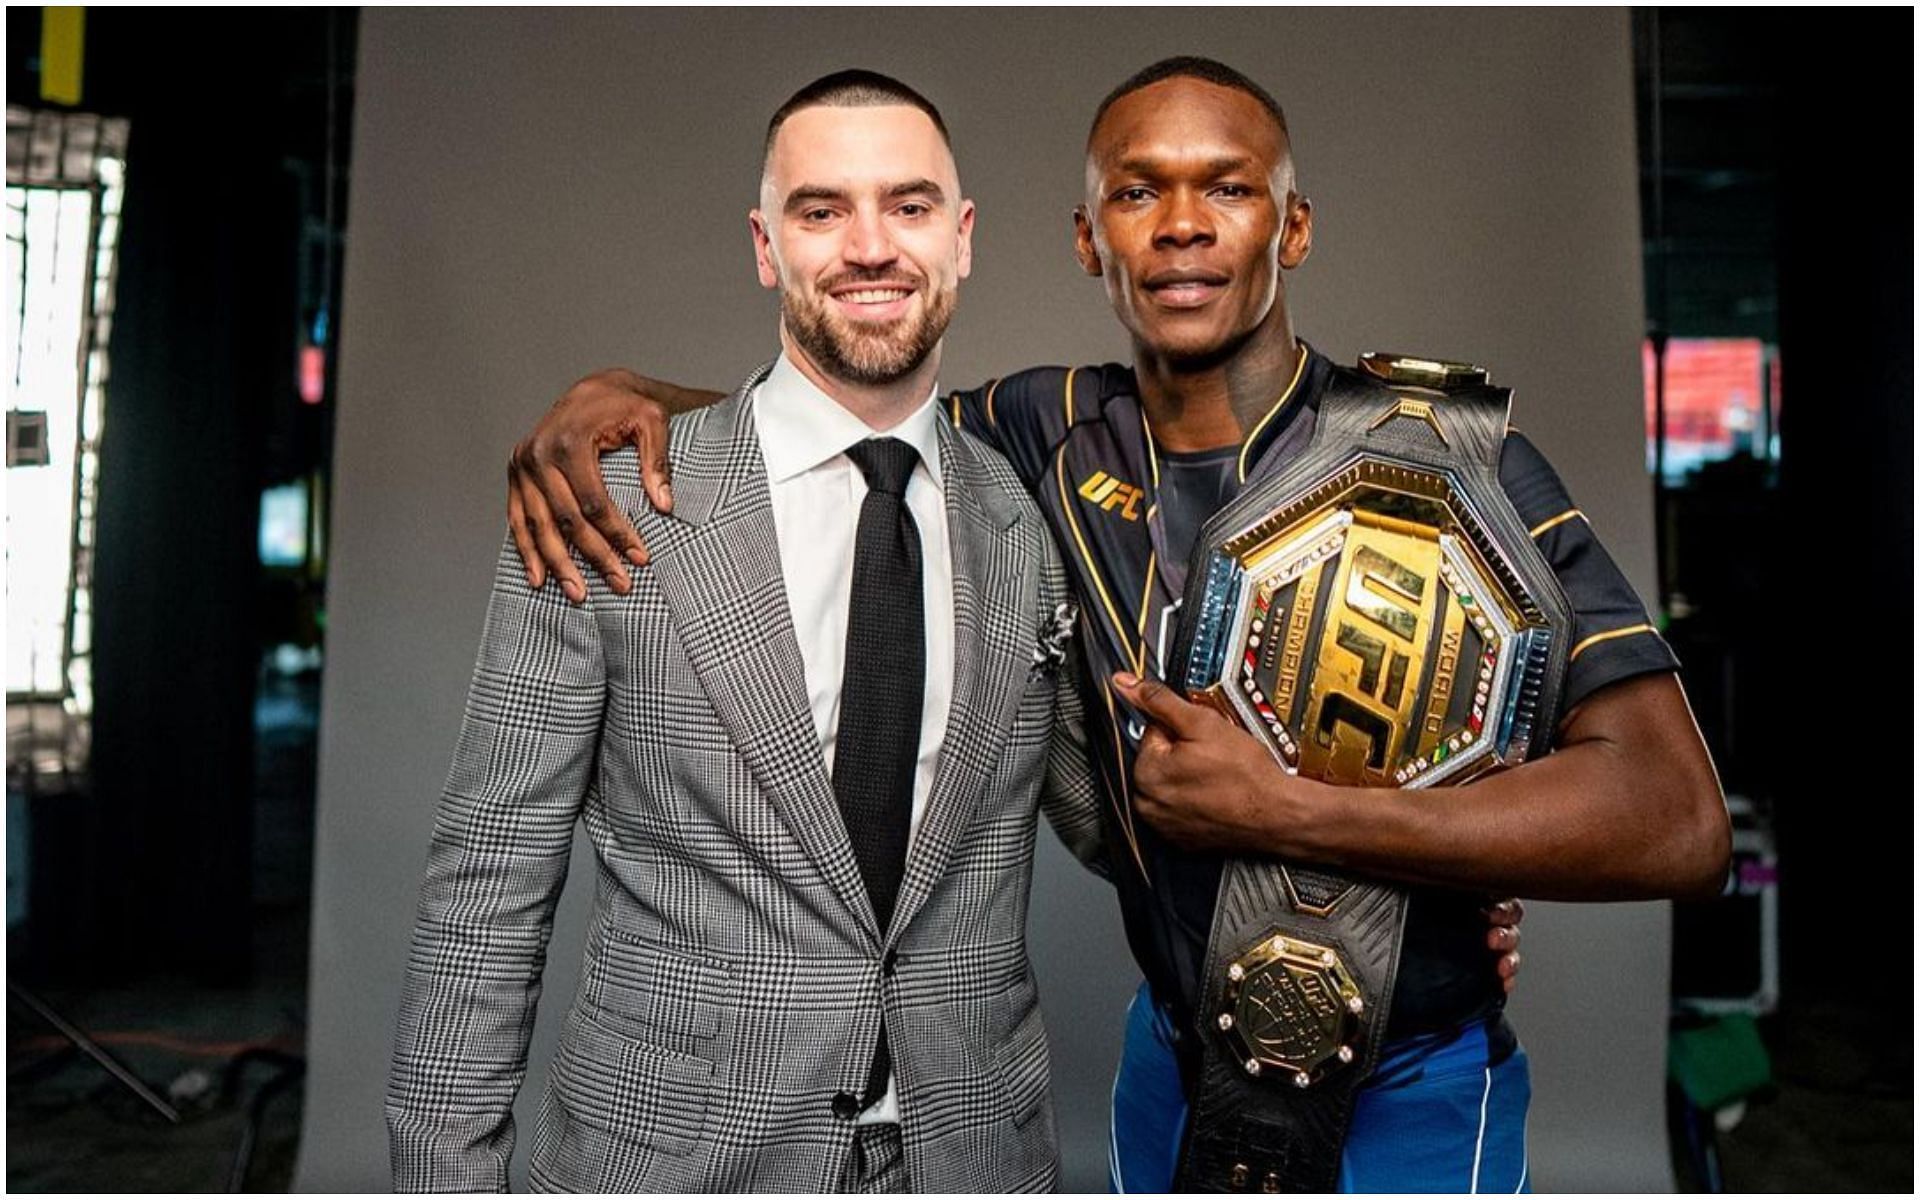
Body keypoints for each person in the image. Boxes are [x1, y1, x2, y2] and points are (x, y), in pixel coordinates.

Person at [505, 57, 1722, 1192]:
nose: (1183, 222)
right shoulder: (1039, 436)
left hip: (1408, 1081)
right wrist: (617, 397)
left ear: (1291, 227)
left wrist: (1301, 815)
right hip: (1174, 1062)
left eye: (1228, 188)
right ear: (1092, 239)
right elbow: (830, 423)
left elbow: (1675, 822)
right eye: (1141, 191)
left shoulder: (1453, 461)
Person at [385, 70, 1107, 1193]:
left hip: (979, 1160)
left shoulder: (1029, 519)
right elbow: (485, 891)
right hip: (674, 1164)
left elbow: (1118, 822)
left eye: (909, 207)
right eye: (822, 211)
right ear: (767, 246)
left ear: (962, 238)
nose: (871, 247)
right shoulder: (603, 507)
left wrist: (1413, 929)